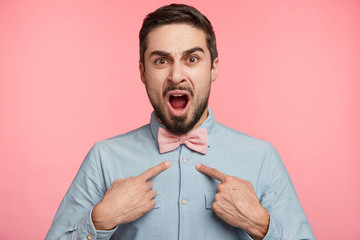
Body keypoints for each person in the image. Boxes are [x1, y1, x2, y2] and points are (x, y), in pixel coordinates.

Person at [46, 4, 315, 240]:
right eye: (161, 60)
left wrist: (261, 224)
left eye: (192, 59)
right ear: (142, 71)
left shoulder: (261, 158)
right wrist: (99, 222)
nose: (176, 76)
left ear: (213, 68)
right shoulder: (104, 158)